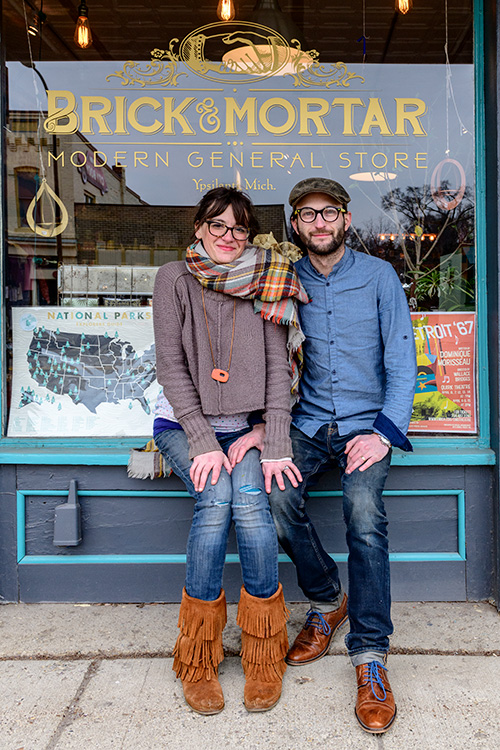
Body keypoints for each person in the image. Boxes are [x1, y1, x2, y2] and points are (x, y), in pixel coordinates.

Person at [268, 177, 417, 734]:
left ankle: (370, 655)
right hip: (305, 423)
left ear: (346, 219)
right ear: (296, 225)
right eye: (307, 215)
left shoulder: (379, 277)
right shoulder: (281, 279)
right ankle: (329, 598)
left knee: (362, 512)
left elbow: (403, 360)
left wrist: (383, 432)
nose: (319, 223)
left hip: (365, 426)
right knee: (275, 493)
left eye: (329, 213)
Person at [152, 187, 307, 716]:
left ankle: (264, 652)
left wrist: (273, 440)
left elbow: (277, 369)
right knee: (216, 497)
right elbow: (171, 366)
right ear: (198, 228)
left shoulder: (265, 279)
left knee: (251, 503)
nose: (228, 237)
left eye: (238, 229)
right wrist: (199, 439)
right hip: (183, 426)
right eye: (217, 226)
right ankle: (197, 656)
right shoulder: (173, 278)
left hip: (245, 429)